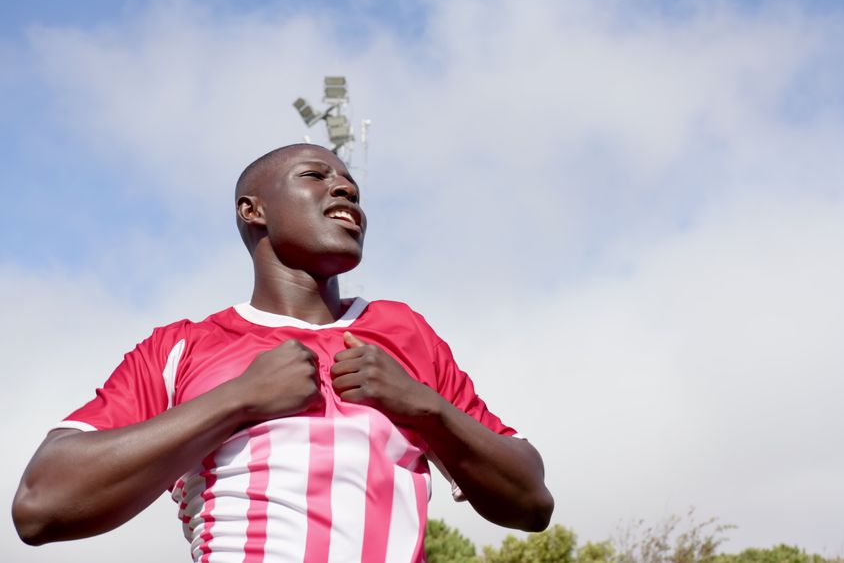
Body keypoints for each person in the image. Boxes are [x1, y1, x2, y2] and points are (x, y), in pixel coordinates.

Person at [12, 143, 554, 562]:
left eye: (352, 186)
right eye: (316, 176)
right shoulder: (181, 346)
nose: (344, 191)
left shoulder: (406, 333)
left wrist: (425, 408)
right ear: (254, 210)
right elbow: (41, 505)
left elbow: (531, 501)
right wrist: (240, 400)